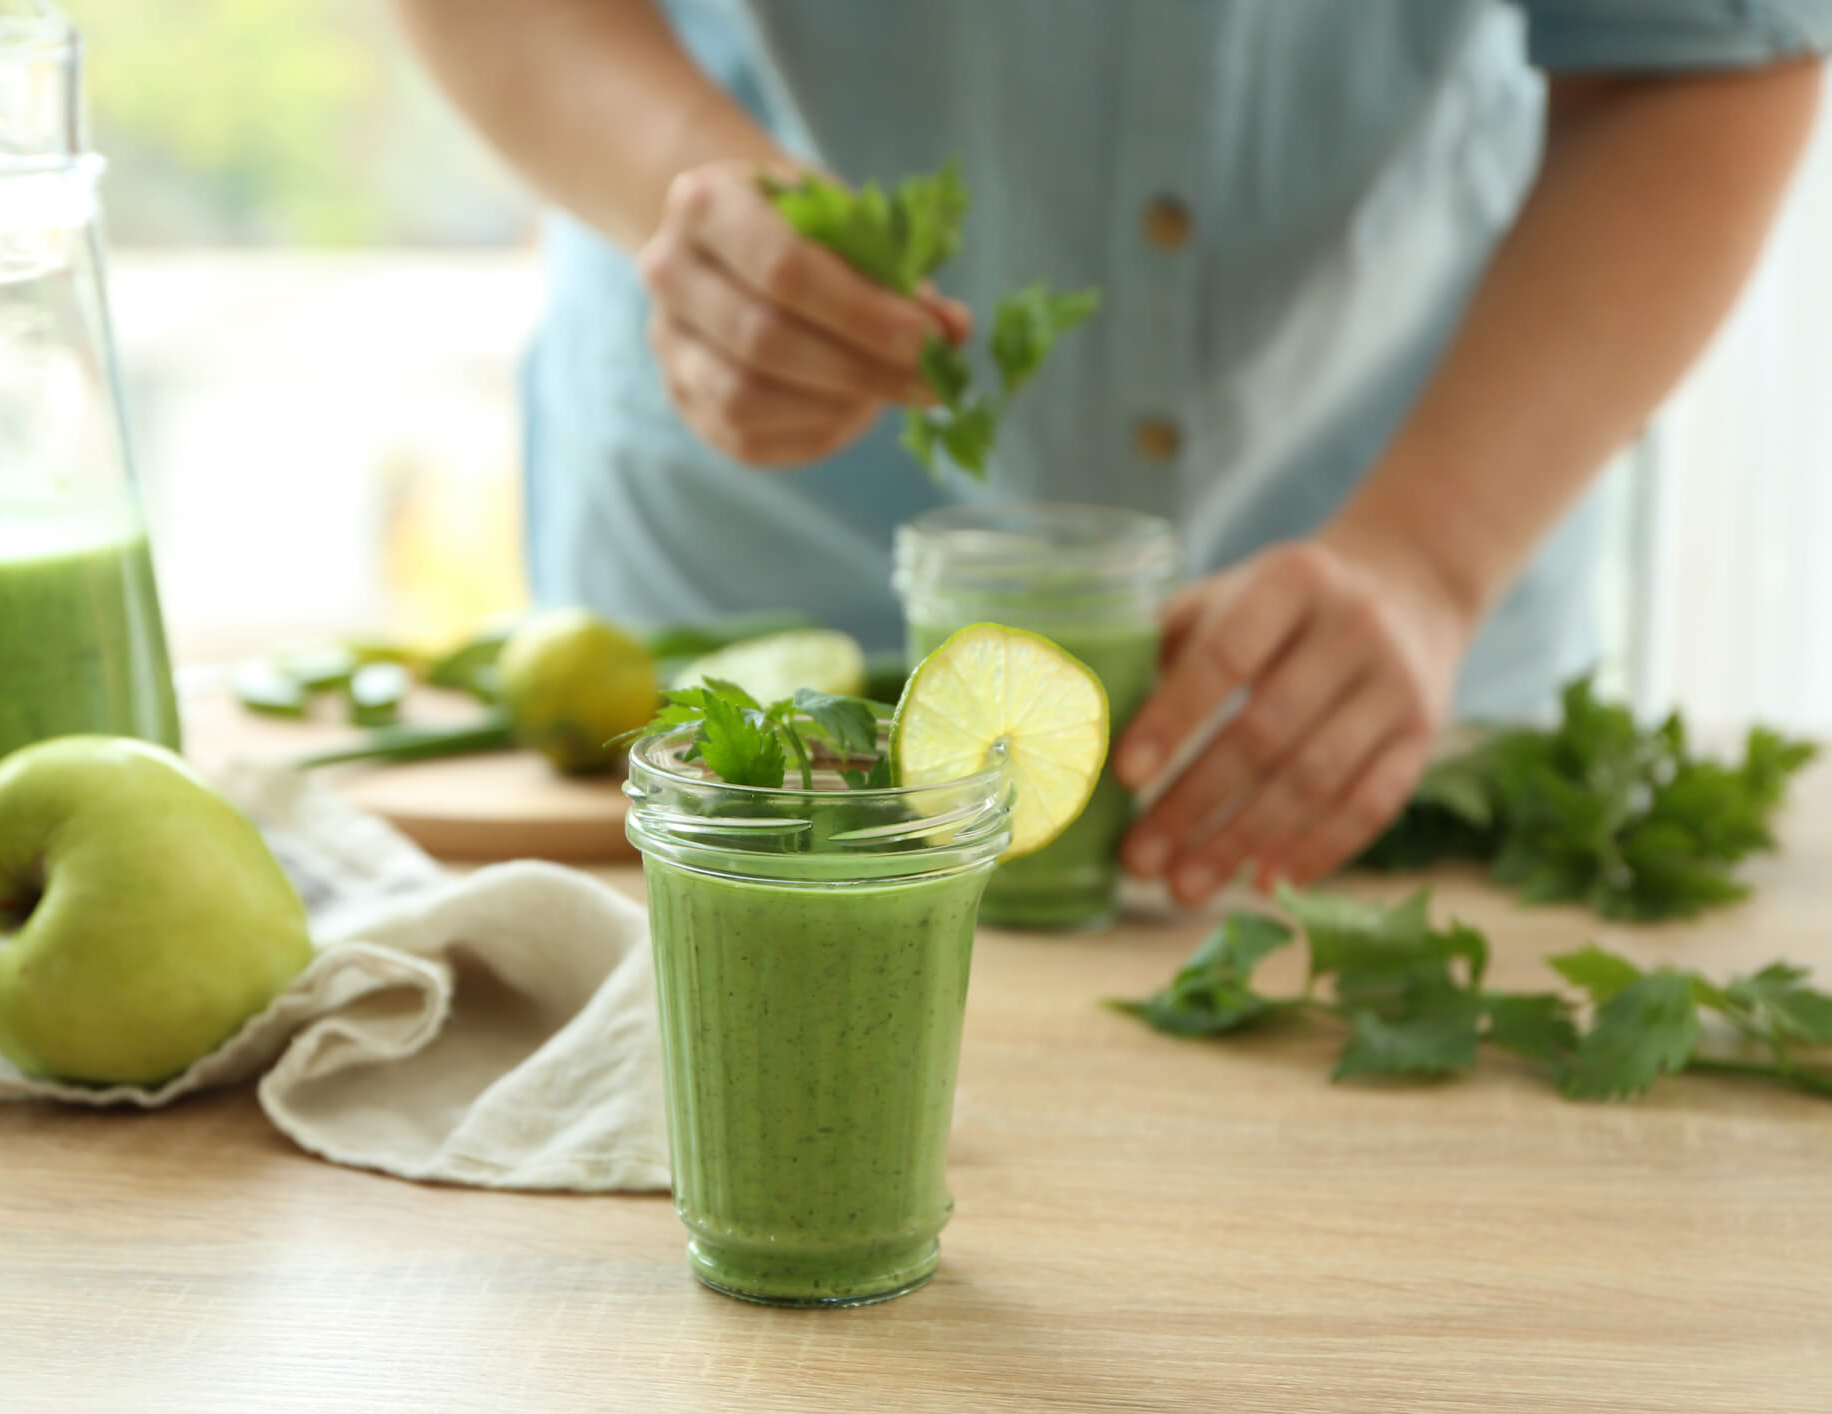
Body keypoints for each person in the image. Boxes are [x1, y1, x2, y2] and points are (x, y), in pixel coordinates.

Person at [397, 1, 1827, 905]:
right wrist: (686, 193)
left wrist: (1427, 555)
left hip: (1379, 627)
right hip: (752, 564)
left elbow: (1698, 58)